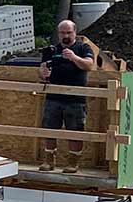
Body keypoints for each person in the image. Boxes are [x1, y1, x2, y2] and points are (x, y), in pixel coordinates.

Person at [38, 20, 97, 174]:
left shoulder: (83, 48)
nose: (65, 36)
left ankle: (73, 163)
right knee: (49, 129)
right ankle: (49, 160)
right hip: (53, 97)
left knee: (75, 131)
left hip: (75, 99)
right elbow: (43, 69)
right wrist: (43, 73)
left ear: (75, 33)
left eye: (68, 33)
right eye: (62, 33)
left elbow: (90, 66)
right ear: (58, 34)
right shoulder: (52, 50)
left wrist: (74, 58)